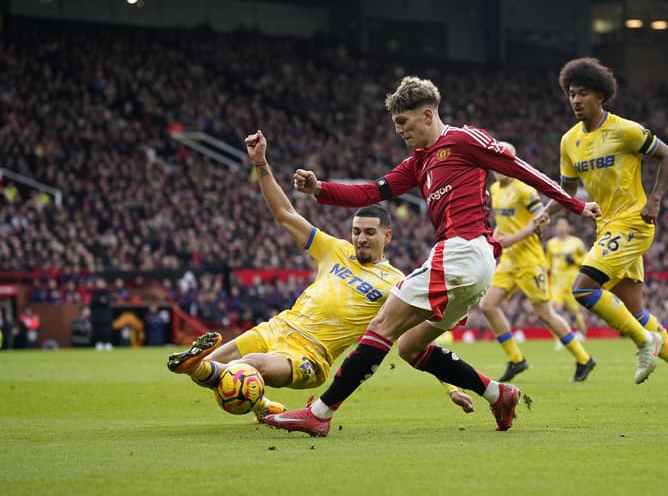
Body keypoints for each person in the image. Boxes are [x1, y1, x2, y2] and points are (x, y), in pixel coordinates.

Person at [266, 76, 600, 436]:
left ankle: (319, 413)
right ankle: (498, 393)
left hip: (461, 251)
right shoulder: (418, 162)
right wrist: (320, 189)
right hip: (471, 264)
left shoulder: (463, 139)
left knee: (382, 325)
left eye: (403, 123)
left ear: (427, 115)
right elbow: (371, 192)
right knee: (410, 347)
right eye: (395, 124)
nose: (399, 132)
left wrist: (576, 205)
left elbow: (522, 170)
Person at [166, 131, 475, 422]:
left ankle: (226, 380)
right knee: (205, 373)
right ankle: (261, 404)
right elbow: (285, 215)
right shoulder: (334, 249)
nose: (361, 238)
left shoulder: (395, 283)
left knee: (241, 370)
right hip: (276, 328)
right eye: (356, 231)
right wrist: (260, 163)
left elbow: (415, 340)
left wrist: (451, 386)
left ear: (388, 236)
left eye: (370, 232)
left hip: (309, 355)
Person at [544, 57, 668, 404]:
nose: (575, 100)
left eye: (583, 93)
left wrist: (656, 200)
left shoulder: (625, 130)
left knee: (584, 290)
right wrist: (541, 216)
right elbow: (567, 192)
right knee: (635, 311)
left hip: (635, 221)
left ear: (600, 95)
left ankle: (645, 341)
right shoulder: (569, 141)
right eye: (571, 94)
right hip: (606, 228)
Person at [478, 141, 595, 383]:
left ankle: (584, 359)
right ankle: (517, 359)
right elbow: (504, 221)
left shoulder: (525, 190)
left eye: (502, 160)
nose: (497, 167)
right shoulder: (496, 190)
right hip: (509, 261)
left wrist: (514, 237)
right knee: (487, 305)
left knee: (545, 314)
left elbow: (541, 220)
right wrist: (498, 234)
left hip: (530, 261)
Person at [545, 217, 589, 339]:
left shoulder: (576, 243)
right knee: (556, 308)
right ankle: (561, 336)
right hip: (556, 283)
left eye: (563, 225)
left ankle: (582, 331)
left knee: (574, 312)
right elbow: (548, 262)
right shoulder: (551, 244)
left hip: (572, 282)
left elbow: (586, 259)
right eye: (559, 225)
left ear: (568, 228)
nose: (561, 228)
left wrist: (574, 260)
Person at [90, 278, 114, 351]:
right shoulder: (95, 293)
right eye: (98, 283)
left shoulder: (107, 292)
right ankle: (99, 343)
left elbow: (106, 301)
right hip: (96, 316)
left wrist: (100, 300)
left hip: (105, 316)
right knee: (97, 330)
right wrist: (100, 300)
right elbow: (93, 303)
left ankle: (107, 343)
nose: (99, 284)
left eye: (100, 282)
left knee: (106, 330)